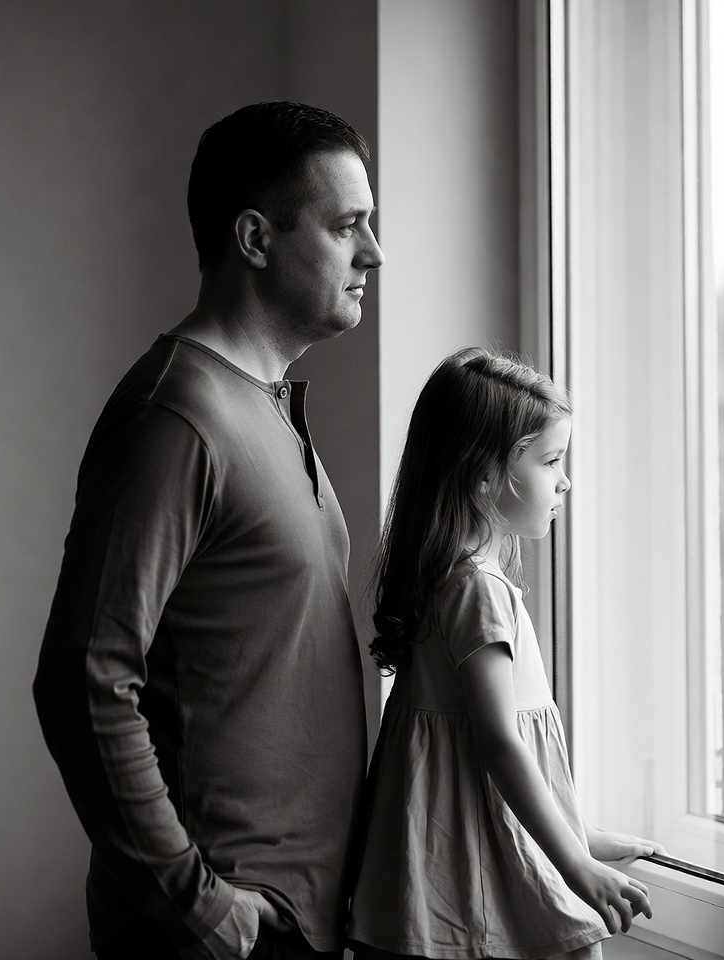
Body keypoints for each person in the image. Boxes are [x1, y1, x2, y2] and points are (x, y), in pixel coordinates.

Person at [33, 101, 384, 960]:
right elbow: (83, 677)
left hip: (298, 918)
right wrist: (198, 905)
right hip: (223, 928)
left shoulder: (263, 404)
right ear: (256, 239)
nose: (373, 253)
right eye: (346, 226)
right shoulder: (176, 419)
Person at [348, 348, 662, 960]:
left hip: (435, 857)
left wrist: (579, 831)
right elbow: (498, 743)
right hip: (469, 863)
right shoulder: (477, 589)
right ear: (484, 476)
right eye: (551, 460)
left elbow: (466, 752)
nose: (565, 480)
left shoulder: (444, 577)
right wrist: (576, 864)